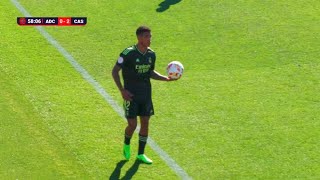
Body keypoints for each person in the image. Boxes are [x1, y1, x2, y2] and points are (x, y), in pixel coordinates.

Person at [112, 26, 174, 164]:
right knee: (132, 125)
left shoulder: (151, 54)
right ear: (139, 38)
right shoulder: (127, 53)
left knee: (145, 123)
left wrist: (166, 78)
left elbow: (150, 72)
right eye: (147, 36)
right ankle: (126, 144)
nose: (149, 39)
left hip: (145, 96)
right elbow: (115, 71)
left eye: (150, 36)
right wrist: (122, 90)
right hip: (131, 96)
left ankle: (141, 154)